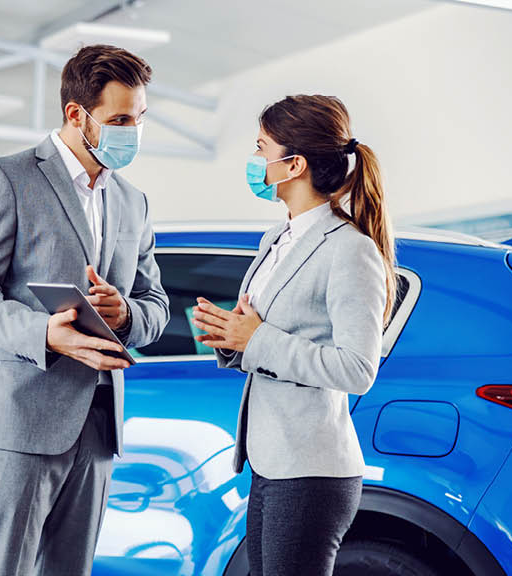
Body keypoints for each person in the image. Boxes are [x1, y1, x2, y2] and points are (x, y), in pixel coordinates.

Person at [0, 44, 170, 576]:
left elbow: (155, 305)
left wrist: (123, 317)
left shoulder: (132, 201)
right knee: (0, 567)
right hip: (18, 418)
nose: (132, 132)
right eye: (119, 119)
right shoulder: (6, 178)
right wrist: (46, 333)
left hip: (96, 425)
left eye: (139, 119)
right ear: (76, 114)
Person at [193, 94, 395, 576]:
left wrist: (256, 338)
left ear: (294, 164)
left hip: (312, 469)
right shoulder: (278, 239)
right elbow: (266, 337)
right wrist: (232, 337)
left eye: (262, 149)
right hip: (273, 461)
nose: (256, 161)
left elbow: (357, 368)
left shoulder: (349, 249)